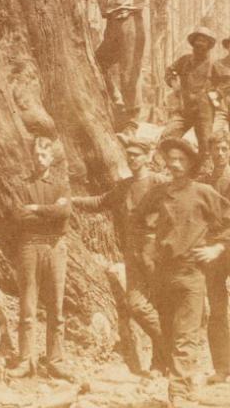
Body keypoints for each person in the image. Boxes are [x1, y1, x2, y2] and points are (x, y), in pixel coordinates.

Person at [134, 138, 230, 408]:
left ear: (190, 164)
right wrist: (149, 246)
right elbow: (138, 219)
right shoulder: (159, 192)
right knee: (169, 330)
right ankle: (184, 388)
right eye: (171, 159)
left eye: (181, 160)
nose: (175, 164)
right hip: (163, 273)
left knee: (186, 335)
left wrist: (218, 248)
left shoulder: (203, 192)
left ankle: (178, 395)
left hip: (192, 272)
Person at [72, 136, 167, 374]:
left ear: (147, 157)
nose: (132, 158)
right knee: (136, 304)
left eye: (137, 155)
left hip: (156, 251)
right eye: (130, 155)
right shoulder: (124, 186)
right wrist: (73, 200)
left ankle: (159, 361)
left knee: (160, 303)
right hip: (132, 252)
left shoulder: (160, 183)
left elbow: (181, 208)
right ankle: (169, 344)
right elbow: (101, 201)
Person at [80, 0, 194, 132]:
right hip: (112, 26)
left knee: (129, 70)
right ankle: (116, 102)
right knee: (98, 64)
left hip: (130, 22)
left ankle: (132, 119)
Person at [7, 136, 72, 380]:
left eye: (44, 155)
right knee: (27, 306)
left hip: (55, 247)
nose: (39, 159)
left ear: (52, 158)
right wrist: (49, 214)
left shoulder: (60, 185)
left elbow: (64, 212)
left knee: (56, 306)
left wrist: (35, 209)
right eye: (35, 154)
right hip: (29, 247)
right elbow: (18, 216)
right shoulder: (23, 186)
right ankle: (26, 360)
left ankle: (55, 360)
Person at [162, 26, 219, 165]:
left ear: (209, 45)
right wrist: (175, 85)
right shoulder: (185, 60)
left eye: (203, 41)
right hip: (184, 109)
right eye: (197, 41)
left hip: (204, 113)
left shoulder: (214, 65)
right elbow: (170, 71)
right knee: (168, 136)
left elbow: (224, 85)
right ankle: (162, 167)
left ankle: (203, 173)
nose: (200, 44)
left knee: (206, 146)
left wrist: (215, 97)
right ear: (193, 44)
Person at [200, 133, 230, 383]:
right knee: (217, 309)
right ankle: (222, 367)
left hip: (226, 243)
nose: (220, 154)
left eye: (224, 148)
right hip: (215, 250)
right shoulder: (207, 181)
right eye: (216, 150)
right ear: (209, 153)